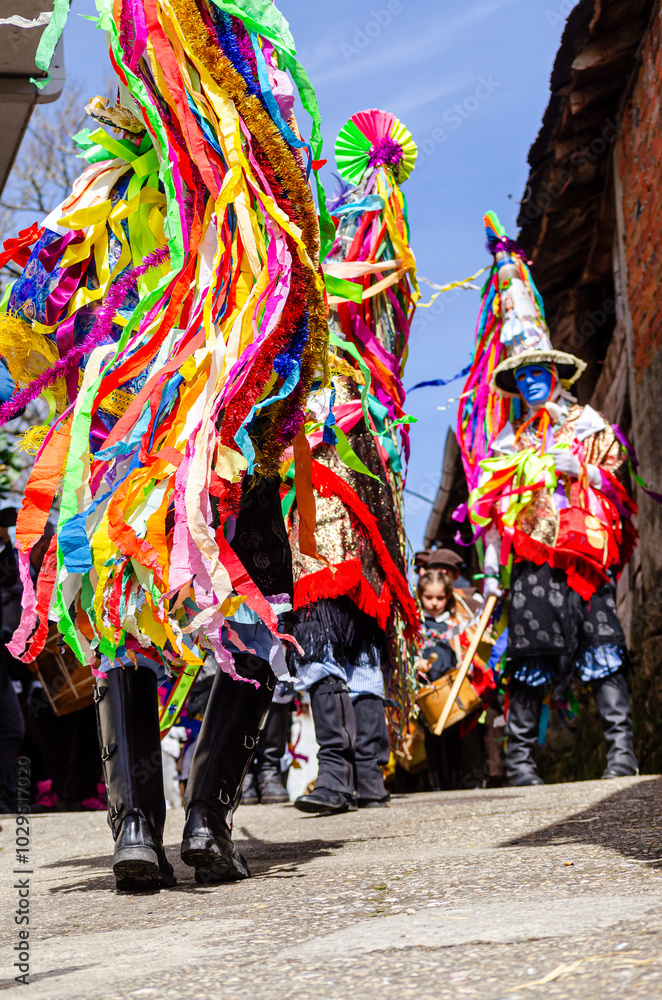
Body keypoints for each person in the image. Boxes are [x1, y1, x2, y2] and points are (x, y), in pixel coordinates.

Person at [0, 0, 328, 888]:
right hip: (130, 444)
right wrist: (40, 297)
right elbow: (41, 320)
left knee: (262, 615)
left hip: (236, 435)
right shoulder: (99, 195)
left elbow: (300, 306)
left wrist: (266, 409)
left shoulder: (261, 184)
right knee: (125, 628)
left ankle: (210, 815)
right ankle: (136, 822)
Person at [456, 213, 639, 786]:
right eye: (523, 374)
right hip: (532, 565)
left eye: (540, 370)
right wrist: (489, 572)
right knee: (530, 656)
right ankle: (519, 764)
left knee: (603, 645)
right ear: (515, 382)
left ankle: (621, 755)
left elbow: (620, 479)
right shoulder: (505, 443)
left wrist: (579, 466)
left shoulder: (588, 422)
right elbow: (486, 513)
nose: (533, 380)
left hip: (583, 557)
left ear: (555, 372)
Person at [285, 109, 421, 815]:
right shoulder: (317, 370)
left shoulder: (361, 380)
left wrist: (376, 198)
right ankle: (353, 774)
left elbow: (390, 272)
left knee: (344, 627)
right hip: (328, 483)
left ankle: (353, 775)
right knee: (338, 627)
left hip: (340, 483)